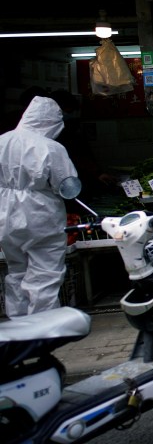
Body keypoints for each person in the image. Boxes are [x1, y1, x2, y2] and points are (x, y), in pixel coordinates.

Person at [0, 96, 78, 316]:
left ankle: (19, 325)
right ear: (51, 123)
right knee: (45, 273)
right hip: (40, 214)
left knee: (16, 271)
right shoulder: (52, 147)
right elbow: (68, 186)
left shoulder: (2, 141)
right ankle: (42, 325)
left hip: (5, 214)